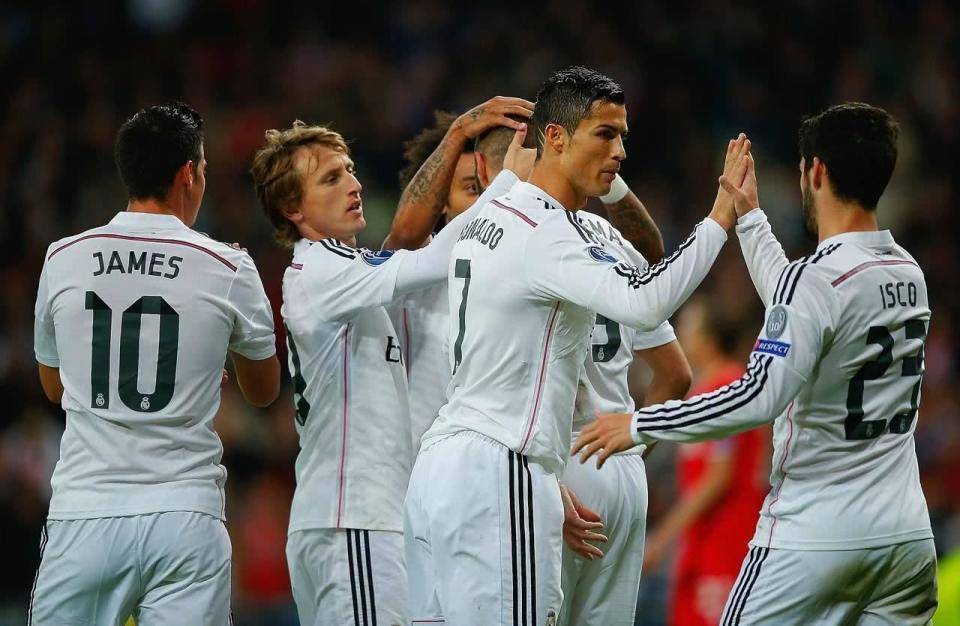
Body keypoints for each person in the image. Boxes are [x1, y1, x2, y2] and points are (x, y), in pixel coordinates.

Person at [404, 65, 743, 625]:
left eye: (622, 137)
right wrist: (720, 217)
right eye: (605, 135)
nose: (620, 152)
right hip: (508, 465)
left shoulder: (484, 218)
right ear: (555, 138)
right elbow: (645, 301)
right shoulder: (552, 231)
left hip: (445, 462)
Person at [575, 103, 939, 625]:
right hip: (905, 540)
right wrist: (749, 217)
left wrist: (638, 423)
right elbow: (801, 306)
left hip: (814, 536)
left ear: (816, 171)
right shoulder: (908, 272)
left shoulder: (815, 281)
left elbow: (758, 394)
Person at [249, 100, 532, 625]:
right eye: (331, 179)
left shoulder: (338, 271)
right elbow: (435, 256)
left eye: (350, 170)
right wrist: (509, 184)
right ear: (293, 208)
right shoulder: (325, 270)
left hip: (349, 519)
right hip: (353, 519)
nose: (353, 185)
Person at [31, 102, 280, 625]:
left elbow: (55, 388)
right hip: (184, 515)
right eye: (204, 169)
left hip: (86, 512)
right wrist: (209, 353)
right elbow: (263, 391)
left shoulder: (63, 257)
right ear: (188, 173)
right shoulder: (227, 265)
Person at [642, 299, 767, 626]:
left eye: (690, 326)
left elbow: (718, 476)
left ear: (709, 338)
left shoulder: (729, 385)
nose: (681, 332)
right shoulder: (702, 390)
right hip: (700, 541)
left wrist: (661, 537)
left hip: (728, 539)